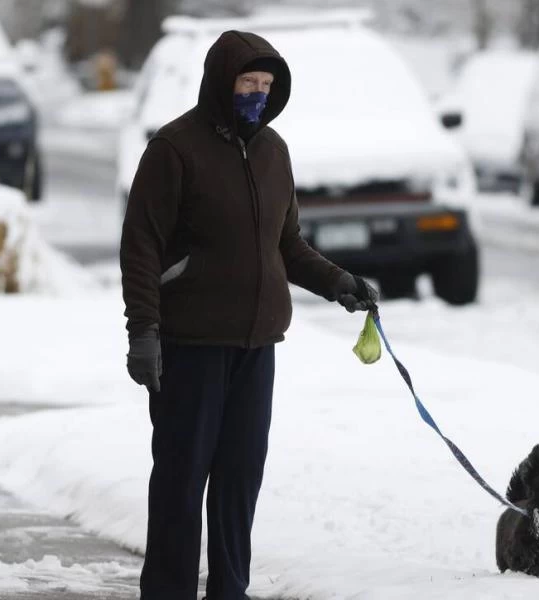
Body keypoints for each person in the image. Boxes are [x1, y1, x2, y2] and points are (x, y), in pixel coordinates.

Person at [120, 30, 378, 600]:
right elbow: (141, 245)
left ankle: (230, 591)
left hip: (257, 347)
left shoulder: (273, 152)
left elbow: (287, 246)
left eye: (266, 86)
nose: (257, 95)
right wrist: (144, 331)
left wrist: (338, 283)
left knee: (238, 485)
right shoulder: (174, 149)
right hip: (189, 346)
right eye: (248, 83)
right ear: (221, 81)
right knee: (181, 486)